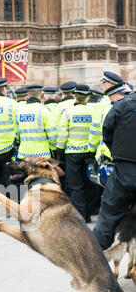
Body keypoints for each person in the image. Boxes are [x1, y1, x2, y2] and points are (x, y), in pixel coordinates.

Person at [93, 90, 136, 250]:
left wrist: (117, 154)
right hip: (124, 165)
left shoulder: (123, 105)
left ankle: (95, 265)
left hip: (124, 170)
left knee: (108, 216)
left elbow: (107, 131)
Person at [56, 84, 94, 222]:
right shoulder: (93, 111)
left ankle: (80, 216)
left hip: (72, 153)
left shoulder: (68, 112)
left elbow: (62, 134)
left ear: (74, 96)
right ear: (87, 97)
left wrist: (59, 150)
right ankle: (89, 213)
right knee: (89, 183)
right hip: (89, 152)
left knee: (76, 185)